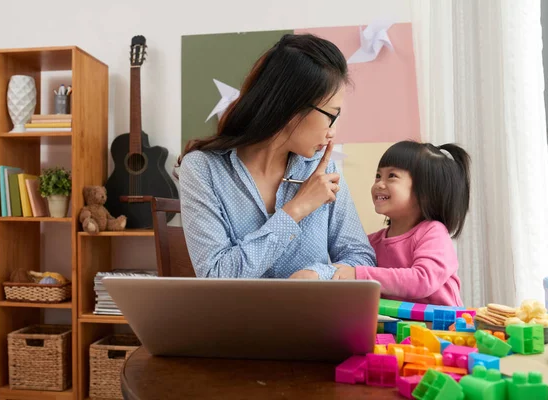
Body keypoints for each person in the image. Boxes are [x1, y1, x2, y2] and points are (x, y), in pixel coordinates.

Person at [176, 33, 376, 280]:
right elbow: (215, 276)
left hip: (312, 317)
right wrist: (297, 209)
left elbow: (360, 258)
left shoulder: (323, 170)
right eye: (330, 116)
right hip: (237, 319)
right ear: (292, 106)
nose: (332, 131)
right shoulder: (203, 169)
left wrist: (317, 274)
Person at [333, 140, 470, 306]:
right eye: (378, 176)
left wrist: (358, 274)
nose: (379, 184)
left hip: (442, 329)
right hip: (395, 328)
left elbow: (422, 279)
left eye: (392, 176)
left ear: (425, 191)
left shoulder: (433, 232)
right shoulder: (370, 243)